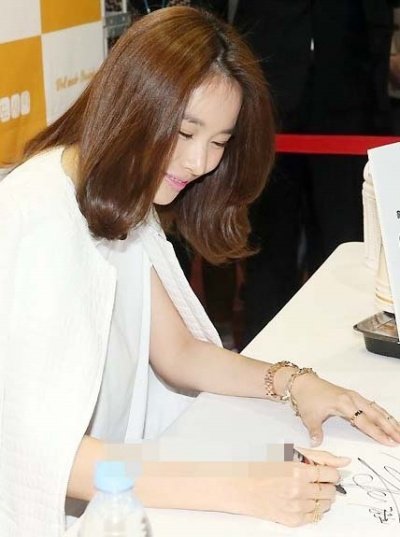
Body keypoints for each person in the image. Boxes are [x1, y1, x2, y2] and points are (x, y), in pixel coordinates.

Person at [1, 7, 399, 536]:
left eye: (218, 142)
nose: (198, 163)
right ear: (132, 104)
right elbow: (42, 457)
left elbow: (179, 352)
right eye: (185, 132)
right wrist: (239, 487)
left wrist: (296, 382)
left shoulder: (118, 192)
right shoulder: (37, 216)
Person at [234, 0, 394, 344]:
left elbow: (377, 16)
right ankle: (263, 351)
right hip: (268, 90)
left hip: (346, 100)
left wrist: (377, 102)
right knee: (268, 244)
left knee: (342, 240)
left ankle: (341, 348)